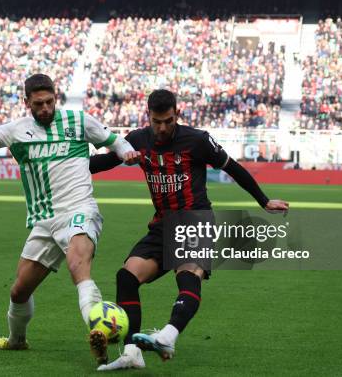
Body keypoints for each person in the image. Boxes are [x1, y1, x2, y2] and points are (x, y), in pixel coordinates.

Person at [89, 89, 289, 370]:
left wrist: (264, 200)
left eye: (168, 121)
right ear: (148, 116)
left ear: (177, 114)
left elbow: (233, 167)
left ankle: (168, 336)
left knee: (187, 274)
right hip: (161, 224)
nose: (162, 127)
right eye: (157, 121)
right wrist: (59, 165)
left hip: (195, 219)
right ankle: (132, 353)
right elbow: (102, 163)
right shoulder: (136, 140)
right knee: (126, 277)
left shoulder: (197, 140)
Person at [0, 74, 140, 364]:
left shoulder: (78, 121)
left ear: (57, 98)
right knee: (19, 291)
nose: (45, 108)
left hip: (80, 209)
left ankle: (100, 331)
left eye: (49, 102)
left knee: (77, 265)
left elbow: (115, 142)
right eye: (38, 103)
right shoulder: (16, 130)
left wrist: (127, 152)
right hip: (44, 221)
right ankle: (17, 341)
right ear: (26, 101)